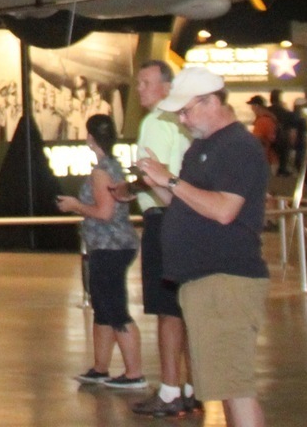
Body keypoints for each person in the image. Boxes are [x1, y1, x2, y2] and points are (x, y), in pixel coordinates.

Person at [134, 67, 271, 427]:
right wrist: (158, 182)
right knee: (227, 385)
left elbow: (225, 210)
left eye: (187, 110)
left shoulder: (237, 146)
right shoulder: (203, 147)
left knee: (236, 386)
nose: (182, 119)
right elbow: (189, 204)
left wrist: (172, 180)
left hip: (226, 279)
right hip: (203, 281)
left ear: (212, 101)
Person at [59, 113, 146, 390]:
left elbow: (104, 212)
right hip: (112, 246)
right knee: (103, 308)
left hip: (110, 247)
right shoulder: (114, 167)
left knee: (115, 308)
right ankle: (100, 367)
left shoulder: (101, 172)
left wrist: (75, 205)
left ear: (90, 139)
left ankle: (134, 373)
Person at [130, 58, 194, 419]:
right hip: (185, 217)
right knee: (183, 307)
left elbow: (155, 174)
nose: (139, 88)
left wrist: (129, 187)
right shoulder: (184, 123)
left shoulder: (155, 121)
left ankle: (170, 391)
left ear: (166, 87)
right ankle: (189, 385)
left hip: (162, 217)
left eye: (145, 82)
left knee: (166, 309)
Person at [246, 97, 279, 171]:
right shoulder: (271, 118)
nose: (252, 109)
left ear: (257, 106)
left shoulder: (262, 121)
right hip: (273, 158)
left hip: (266, 159)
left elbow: (256, 140)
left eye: (252, 106)